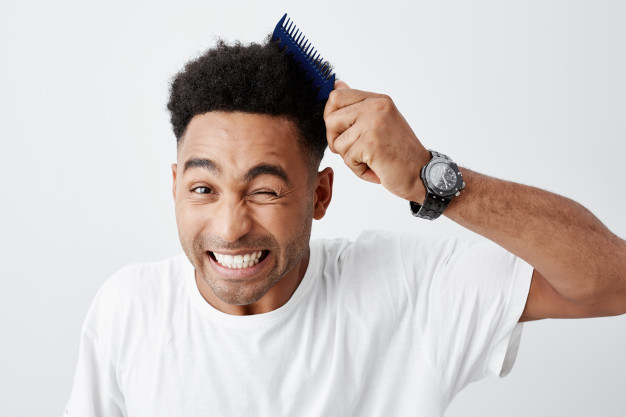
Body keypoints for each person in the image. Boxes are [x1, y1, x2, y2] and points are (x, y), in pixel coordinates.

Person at [64, 39, 626, 417]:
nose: (231, 228)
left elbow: (613, 281)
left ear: (320, 196)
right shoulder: (128, 310)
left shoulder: (407, 290)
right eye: (203, 190)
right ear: (174, 187)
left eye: (265, 191)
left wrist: (432, 181)